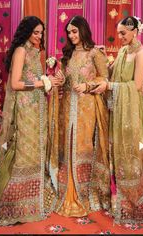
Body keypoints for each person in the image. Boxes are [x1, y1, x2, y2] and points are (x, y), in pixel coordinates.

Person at [0, 16, 63, 226]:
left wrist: (50, 81)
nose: (39, 36)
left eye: (41, 33)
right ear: (26, 32)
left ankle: (32, 198)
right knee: (21, 151)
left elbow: (34, 78)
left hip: (37, 108)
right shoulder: (21, 50)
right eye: (35, 32)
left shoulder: (35, 51)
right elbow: (15, 84)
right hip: (24, 108)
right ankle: (13, 202)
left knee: (34, 150)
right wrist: (43, 83)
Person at [92, 16, 143, 226]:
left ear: (135, 31)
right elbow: (113, 75)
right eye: (118, 33)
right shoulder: (121, 51)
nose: (119, 37)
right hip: (118, 110)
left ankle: (136, 204)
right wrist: (103, 58)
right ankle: (121, 201)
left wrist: (109, 87)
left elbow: (136, 85)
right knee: (118, 152)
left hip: (130, 112)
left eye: (123, 33)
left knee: (132, 153)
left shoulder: (141, 53)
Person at [49, 15, 111, 217]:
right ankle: (68, 191)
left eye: (74, 31)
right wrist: (61, 79)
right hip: (68, 105)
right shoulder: (68, 54)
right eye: (68, 32)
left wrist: (87, 85)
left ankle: (86, 192)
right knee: (68, 146)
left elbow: (104, 79)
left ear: (83, 30)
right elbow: (67, 82)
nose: (71, 35)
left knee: (83, 145)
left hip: (87, 106)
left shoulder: (95, 53)